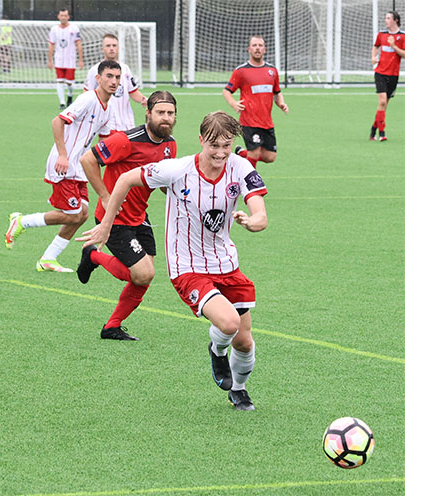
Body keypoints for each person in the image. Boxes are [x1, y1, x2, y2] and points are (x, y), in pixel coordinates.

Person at [78, 111, 268, 411]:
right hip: (188, 267)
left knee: (244, 342)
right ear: (201, 140)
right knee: (229, 323)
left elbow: (260, 213)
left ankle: (239, 390)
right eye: (214, 145)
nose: (220, 153)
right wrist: (106, 223)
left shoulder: (240, 167)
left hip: (226, 263)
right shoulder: (177, 170)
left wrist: (252, 221)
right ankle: (217, 350)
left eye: (226, 146)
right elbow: (126, 179)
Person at [76, 91, 178, 341]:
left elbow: (162, 181)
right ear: (148, 113)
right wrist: (104, 196)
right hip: (114, 218)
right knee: (143, 274)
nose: (165, 118)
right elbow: (88, 159)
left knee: (143, 277)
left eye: (170, 113)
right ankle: (93, 255)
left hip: (139, 216)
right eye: (160, 112)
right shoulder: (125, 140)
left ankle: (112, 327)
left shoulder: (170, 145)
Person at [5, 60, 122, 272]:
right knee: (74, 213)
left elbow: (105, 141)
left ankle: (48, 259)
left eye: (117, 77)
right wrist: (62, 155)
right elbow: (57, 121)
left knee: (82, 214)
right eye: (109, 76)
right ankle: (22, 221)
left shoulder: (109, 108)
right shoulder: (88, 99)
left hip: (79, 167)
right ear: (98, 78)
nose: (113, 81)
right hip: (63, 164)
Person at [223, 35, 288, 169]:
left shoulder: (272, 71)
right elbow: (227, 91)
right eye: (254, 45)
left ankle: (241, 154)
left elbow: (277, 92)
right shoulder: (241, 71)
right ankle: (250, 179)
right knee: (255, 153)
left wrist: (281, 103)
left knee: (270, 157)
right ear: (249, 49)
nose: (257, 48)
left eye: (260, 45)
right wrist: (234, 103)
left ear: (265, 49)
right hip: (249, 121)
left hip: (266, 122)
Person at [83, 33, 148, 132]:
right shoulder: (94, 70)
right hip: (107, 123)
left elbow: (133, 92)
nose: (111, 48)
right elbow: (87, 94)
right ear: (102, 49)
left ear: (118, 48)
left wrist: (143, 99)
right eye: (108, 46)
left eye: (114, 45)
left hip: (127, 123)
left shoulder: (125, 68)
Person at [369, 11, 405, 141]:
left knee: (383, 106)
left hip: (393, 75)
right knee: (382, 101)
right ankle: (382, 133)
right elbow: (375, 46)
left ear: (396, 20)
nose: (386, 20)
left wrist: (394, 46)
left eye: (388, 18)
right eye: (386, 18)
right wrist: (373, 57)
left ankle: (373, 130)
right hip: (380, 73)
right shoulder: (381, 34)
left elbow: (405, 54)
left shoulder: (403, 36)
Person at [48, 8, 84, 109]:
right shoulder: (54, 29)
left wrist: (80, 60)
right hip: (59, 59)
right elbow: (51, 45)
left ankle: (70, 95)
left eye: (65, 15)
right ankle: (62, 103)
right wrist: (50, 60)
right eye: (61, 15)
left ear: (68, 17)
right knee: (59, 80)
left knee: (69, 83)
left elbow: (78, 44)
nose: (63, 17)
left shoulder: (74, 28)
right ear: (58, 17)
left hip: (70, 60)